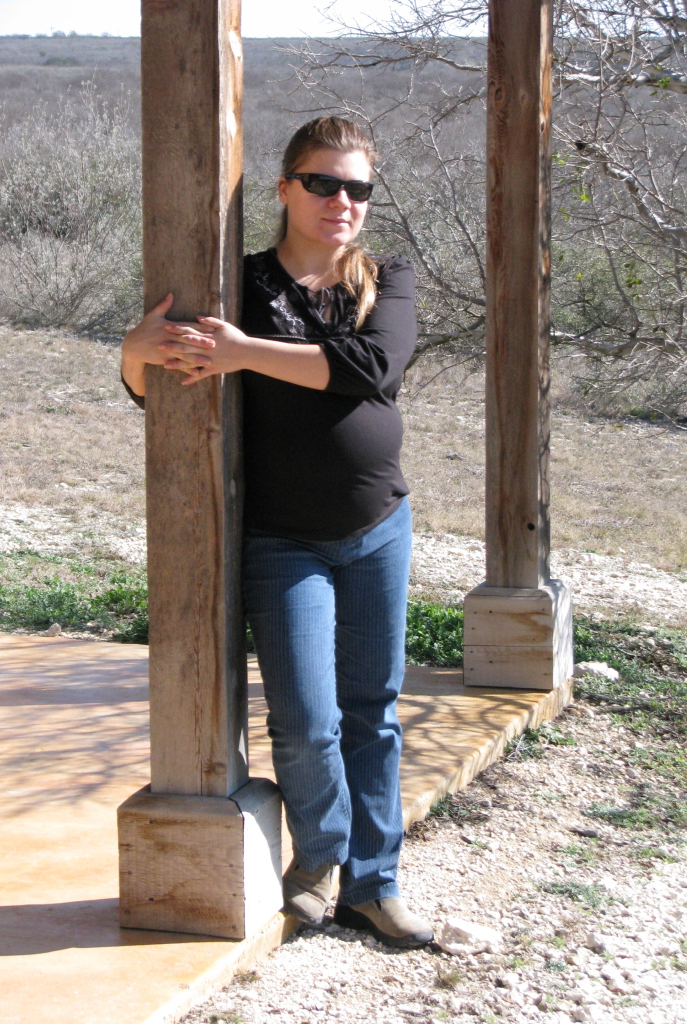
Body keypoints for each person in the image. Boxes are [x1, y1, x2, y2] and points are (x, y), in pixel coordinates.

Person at [120, 117, 432, 948]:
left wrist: (244, 353)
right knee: (304, 719)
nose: (342, 202)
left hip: (378, 527)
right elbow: (165, 383)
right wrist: (130, 353)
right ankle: (320, 860)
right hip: (283, 540)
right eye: (324, 183)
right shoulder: (240, 285)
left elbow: (371, 369)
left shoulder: (386, 280)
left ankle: (375, 885)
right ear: (286, 187)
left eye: (358, 188)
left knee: (372, 712)